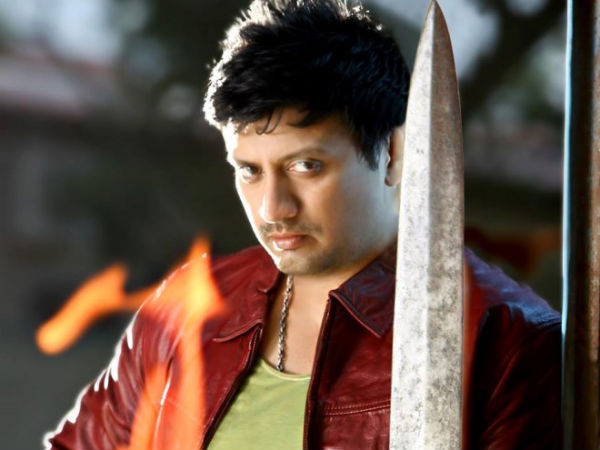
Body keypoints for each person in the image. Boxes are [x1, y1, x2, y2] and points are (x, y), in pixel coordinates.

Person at [45, 1, 560, 449]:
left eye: (306, 165)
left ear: (393, 153)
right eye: (250, 171)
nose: (274, 207)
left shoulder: (504, 339)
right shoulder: (185, 312)